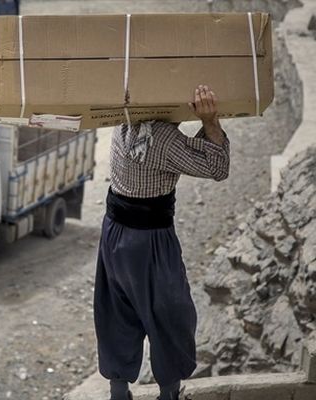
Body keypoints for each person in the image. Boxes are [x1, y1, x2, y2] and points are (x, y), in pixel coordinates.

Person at [94, 85, 230, 400]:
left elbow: (178, 149)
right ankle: (169, 393)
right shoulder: (163, 138)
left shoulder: (123, 117)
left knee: (117, 309)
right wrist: (209, 122)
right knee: (170, 313)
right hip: (150, 241)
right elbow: (217, 167)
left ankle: (118, 391)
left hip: (114, 234)